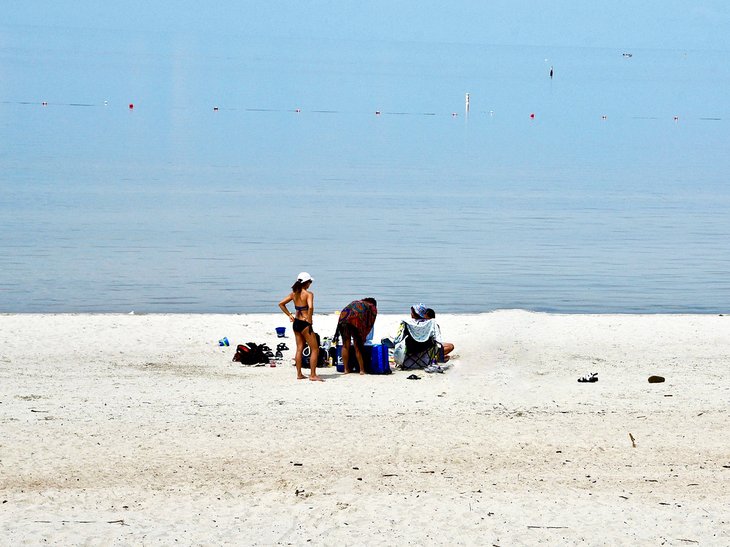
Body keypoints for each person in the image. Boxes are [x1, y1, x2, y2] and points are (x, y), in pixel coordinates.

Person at [278, 272, 322, 381]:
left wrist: (289, 315)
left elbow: (281, 304)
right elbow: (310, 307)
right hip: (305, 323)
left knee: (299, 349)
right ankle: (312, 375)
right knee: (315, 349)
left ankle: (299, 374)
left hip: (296, 323)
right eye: (310, 282)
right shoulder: (308, 294)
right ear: (306, 283)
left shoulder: (294, 294)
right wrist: (310, 320)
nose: (310, 284)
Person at [336, 298, 378, 375]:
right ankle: (362, 370)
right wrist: (364, 335)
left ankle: (346, 369)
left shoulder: (357, 302)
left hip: (343, 318)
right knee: (358, 346)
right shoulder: (372, 306)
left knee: (345, 345)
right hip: (355, 320)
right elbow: (369, 322)